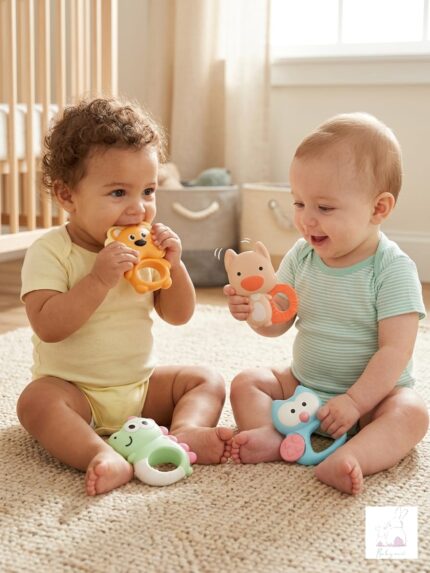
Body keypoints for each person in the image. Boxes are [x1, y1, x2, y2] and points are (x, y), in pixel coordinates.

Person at [17, 97, 233, 496]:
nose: (139, 209)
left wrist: (175, 266)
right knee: (35, 402)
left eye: (148, 191)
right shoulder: (50, 251)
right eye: (118, 193)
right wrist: (98, 279)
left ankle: (186, 431)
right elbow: (48, 326)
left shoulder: (146, 250)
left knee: (206, 379)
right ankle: (99, 454)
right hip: (75, 393)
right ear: (67, 195)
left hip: (141, 387)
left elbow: (178, 315)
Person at [224, 112, 428, 494]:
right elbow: (278, 321)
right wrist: (255, 314)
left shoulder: (392, 269)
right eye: (299, 203)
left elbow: (395, 352)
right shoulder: (302, 256)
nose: (306, 220)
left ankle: (353, 456)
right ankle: (270, 435)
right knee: (247, 382)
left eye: (325, 208)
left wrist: (355, 402)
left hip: (371, 402)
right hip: (304, 387)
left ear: (378, 209)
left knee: (412, 412)